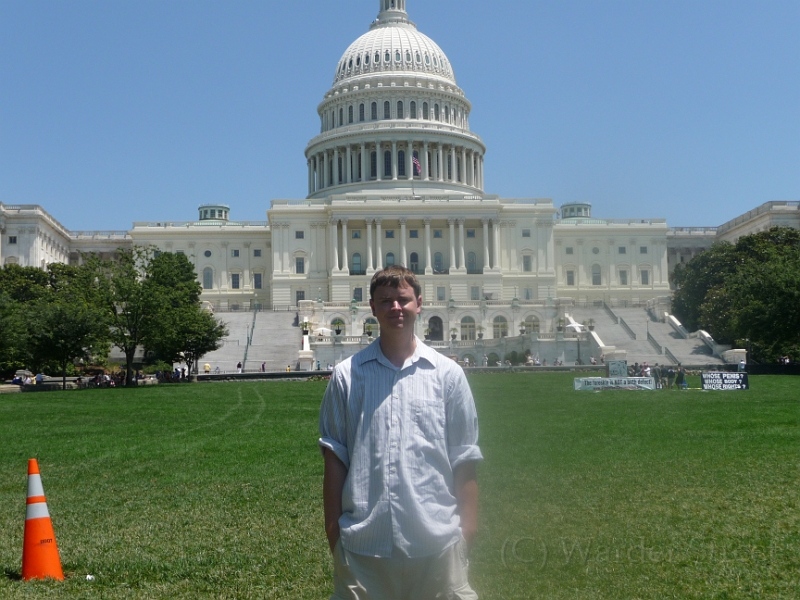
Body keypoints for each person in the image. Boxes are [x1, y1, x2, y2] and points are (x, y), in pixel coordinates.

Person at [319, 266, 482, 599]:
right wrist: (334, 533)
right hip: (364, 544)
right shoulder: (347, 376)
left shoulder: (448, 375)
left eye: (403, 300)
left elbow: (464, 457)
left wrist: (466, 531)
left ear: (419, 304)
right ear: (372, 307)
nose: (396, 307)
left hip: (436, 541)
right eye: (386, 301)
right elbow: (335, 459)